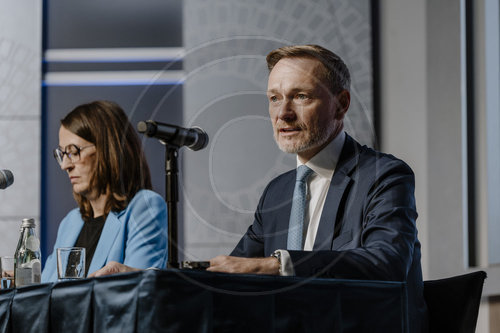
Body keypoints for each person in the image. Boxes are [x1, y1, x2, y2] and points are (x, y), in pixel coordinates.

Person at [91, 45, 427, 331]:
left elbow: (387, 262)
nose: (283, 113)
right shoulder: (278, 192)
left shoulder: (385, 175)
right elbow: (229, 271)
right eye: (274, 98)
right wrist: (149, 278)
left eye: (301, 96)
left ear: (341, 103)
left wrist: (275, 265)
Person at [41, 101, 168, 282]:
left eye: (73, 152)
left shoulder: (145, 207)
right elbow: (47, 292)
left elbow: (139, 295)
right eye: (62, 154)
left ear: (107, 149)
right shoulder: (70, 222)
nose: (65, 165)